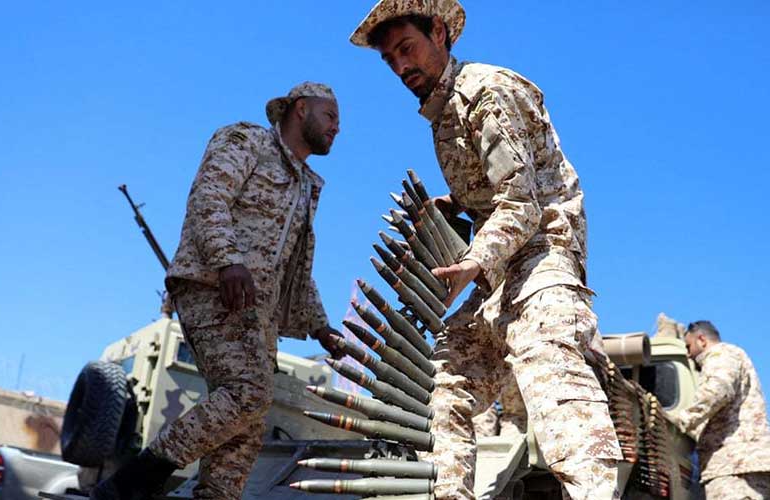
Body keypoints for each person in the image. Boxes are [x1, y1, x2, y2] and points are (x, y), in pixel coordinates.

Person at [349, 2, 622, 498]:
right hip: (499, 271)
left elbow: (522, 201)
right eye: (390, 60)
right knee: (449, 382)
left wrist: (474, 260)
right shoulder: (443, 111)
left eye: (407, 48)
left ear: (439, 32)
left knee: (554, 380)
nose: (401, 66)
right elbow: (494, 188)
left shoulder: (484, 92)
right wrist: (454, 203)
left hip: (541, 256)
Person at [91, 82, 345, 499]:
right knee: (249, 392)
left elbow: (296, 268)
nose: (337, 128)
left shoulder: (304, 185)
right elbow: (209, 198)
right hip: (213, 286)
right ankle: (129, 484)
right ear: (301, 109)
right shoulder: (248, 140)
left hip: (257, 311)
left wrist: (320, 326)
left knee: (248, 422)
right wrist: (228, 261)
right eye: (330, 116)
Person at [671, 320, 770, 499]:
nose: (687, 354)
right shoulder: (733, 355)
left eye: (688, 346)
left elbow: (718, 389)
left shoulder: (720, 354)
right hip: (742, 464)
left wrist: (683, 420)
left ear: (702, 340)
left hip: (734, 466)